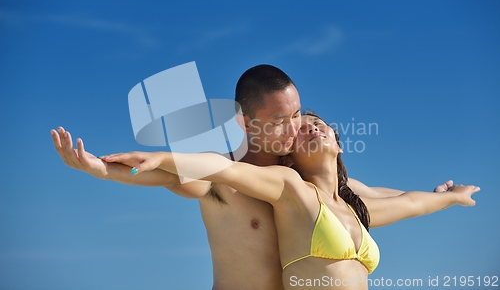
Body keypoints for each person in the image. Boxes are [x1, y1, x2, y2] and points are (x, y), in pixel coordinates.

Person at [51, 64, 454, 290]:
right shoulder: (219, 175)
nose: (295, 127)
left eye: (297, 115)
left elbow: (380, 195)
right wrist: (98, 169)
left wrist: (443, 196)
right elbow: (168, 175)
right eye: (280, 120)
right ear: (245, 122)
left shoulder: (308, 184)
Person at [99, 112, 479, 290]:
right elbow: (220, 169)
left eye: (318, 124)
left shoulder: (354, 208)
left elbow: (411, 203)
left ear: (338, 140)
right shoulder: (290, 188)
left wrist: (448, 198)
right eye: (299, 131)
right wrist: (162, 158)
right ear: (288, 156)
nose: (311, 128)